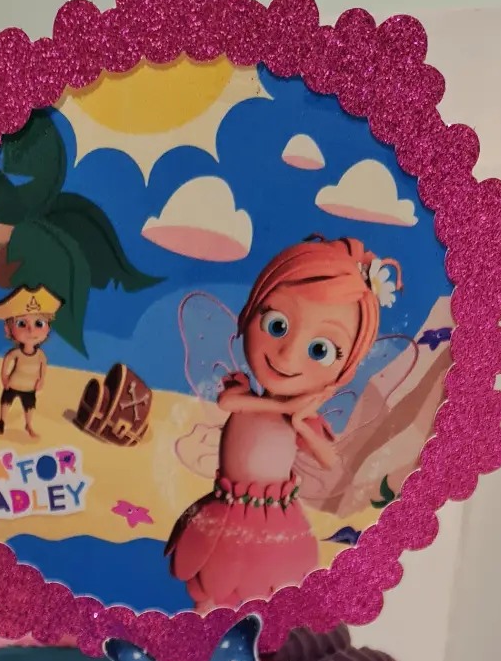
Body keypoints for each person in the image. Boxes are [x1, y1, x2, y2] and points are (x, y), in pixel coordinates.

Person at [168, 237, 402, 611]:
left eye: (320, 350)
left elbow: (329, 459)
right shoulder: (242, 393)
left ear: (345, 369)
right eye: (276, 325)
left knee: (266, 600)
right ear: (251, 312)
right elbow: (230, 403)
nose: (288, 355)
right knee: (209, 594)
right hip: (225, 513)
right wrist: (287, 409)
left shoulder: (302, 419)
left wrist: (300, 422)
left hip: (275, 525)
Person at [0, 286, 61, 439]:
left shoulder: (40, 355)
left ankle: (28, 424)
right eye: (21, 324)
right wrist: (4, 377)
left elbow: (43, 367)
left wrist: (41, 380)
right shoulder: (17, 353)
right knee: (6, 403)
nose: (31, 330)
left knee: (29, 407)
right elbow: (7, 360)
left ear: (48, 328)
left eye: (39, 324)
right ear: (9, 329)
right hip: (13, 384)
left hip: (30, 387)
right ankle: (2, 421)